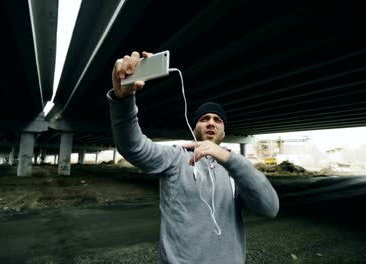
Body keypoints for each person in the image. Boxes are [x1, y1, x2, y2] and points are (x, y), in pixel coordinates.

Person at [107, 51, 279, 264]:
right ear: (195, 127)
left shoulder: (236, 168)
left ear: (224, 131)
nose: (211, 122)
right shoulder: (175, 157)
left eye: (218, 120)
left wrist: (229, 159)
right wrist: (124, 99)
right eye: (204, 118)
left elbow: (270, 208)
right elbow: (132, 147)